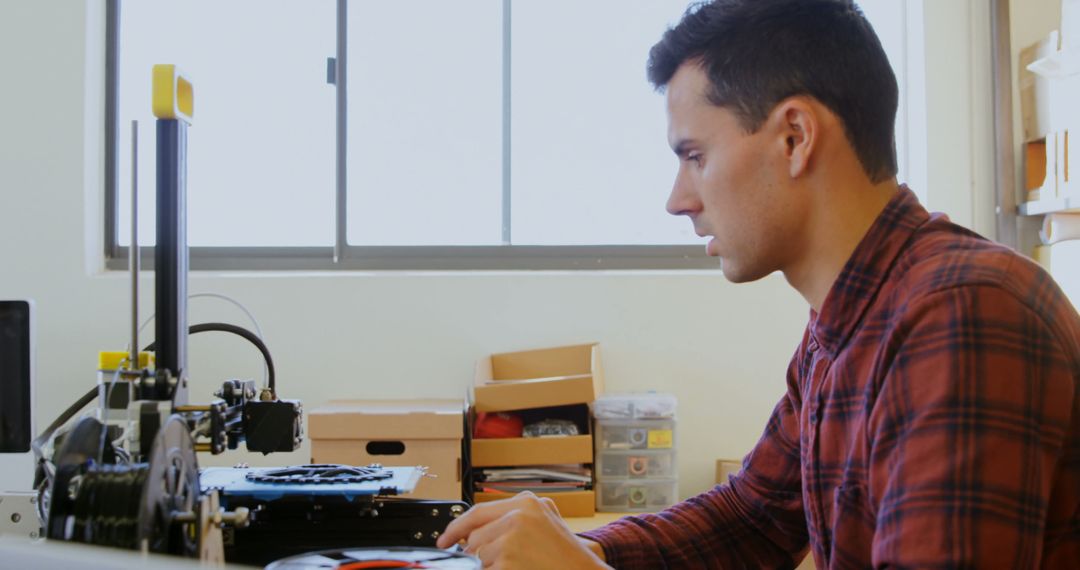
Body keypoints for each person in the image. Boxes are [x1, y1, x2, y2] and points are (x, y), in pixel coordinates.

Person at [437, 0, 1080, 567]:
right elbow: (754, 517)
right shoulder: (845, 325)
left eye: (695, 156)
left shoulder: (962, 314)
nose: (677, 199)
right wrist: (589, 549)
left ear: (795, 137)